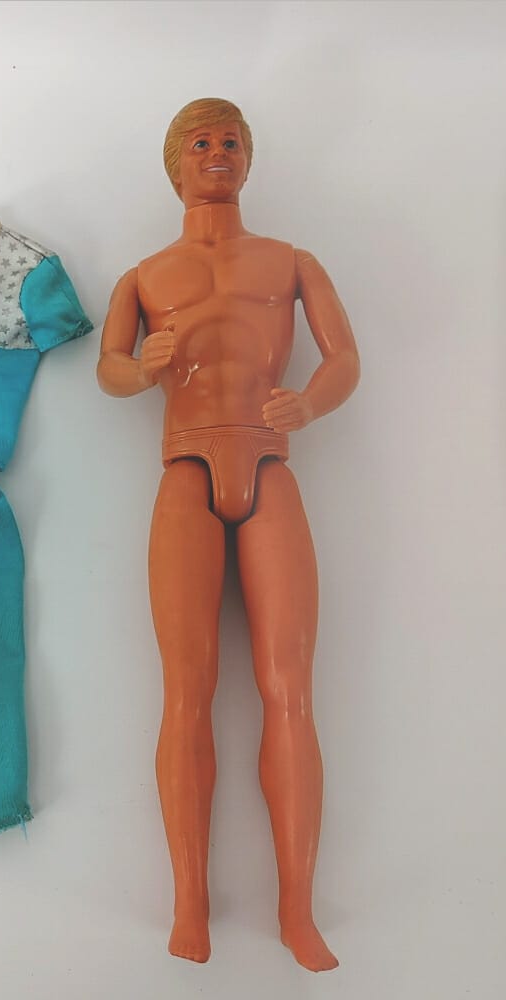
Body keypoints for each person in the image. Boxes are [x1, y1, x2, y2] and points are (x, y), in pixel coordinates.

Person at [97, 98, 359, 971]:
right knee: (187, 689)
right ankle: (191, 904)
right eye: (203, 142)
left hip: (270, 462)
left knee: (290, 688)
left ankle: (297, 910)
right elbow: (108, 368)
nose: (220, 153)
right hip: (185, 467)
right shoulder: (143, 276)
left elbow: (344, 358)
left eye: (233, 142)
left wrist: (309, 404)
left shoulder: (292, 262)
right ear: (176, 162)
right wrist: (141, 369)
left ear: (249, 160)